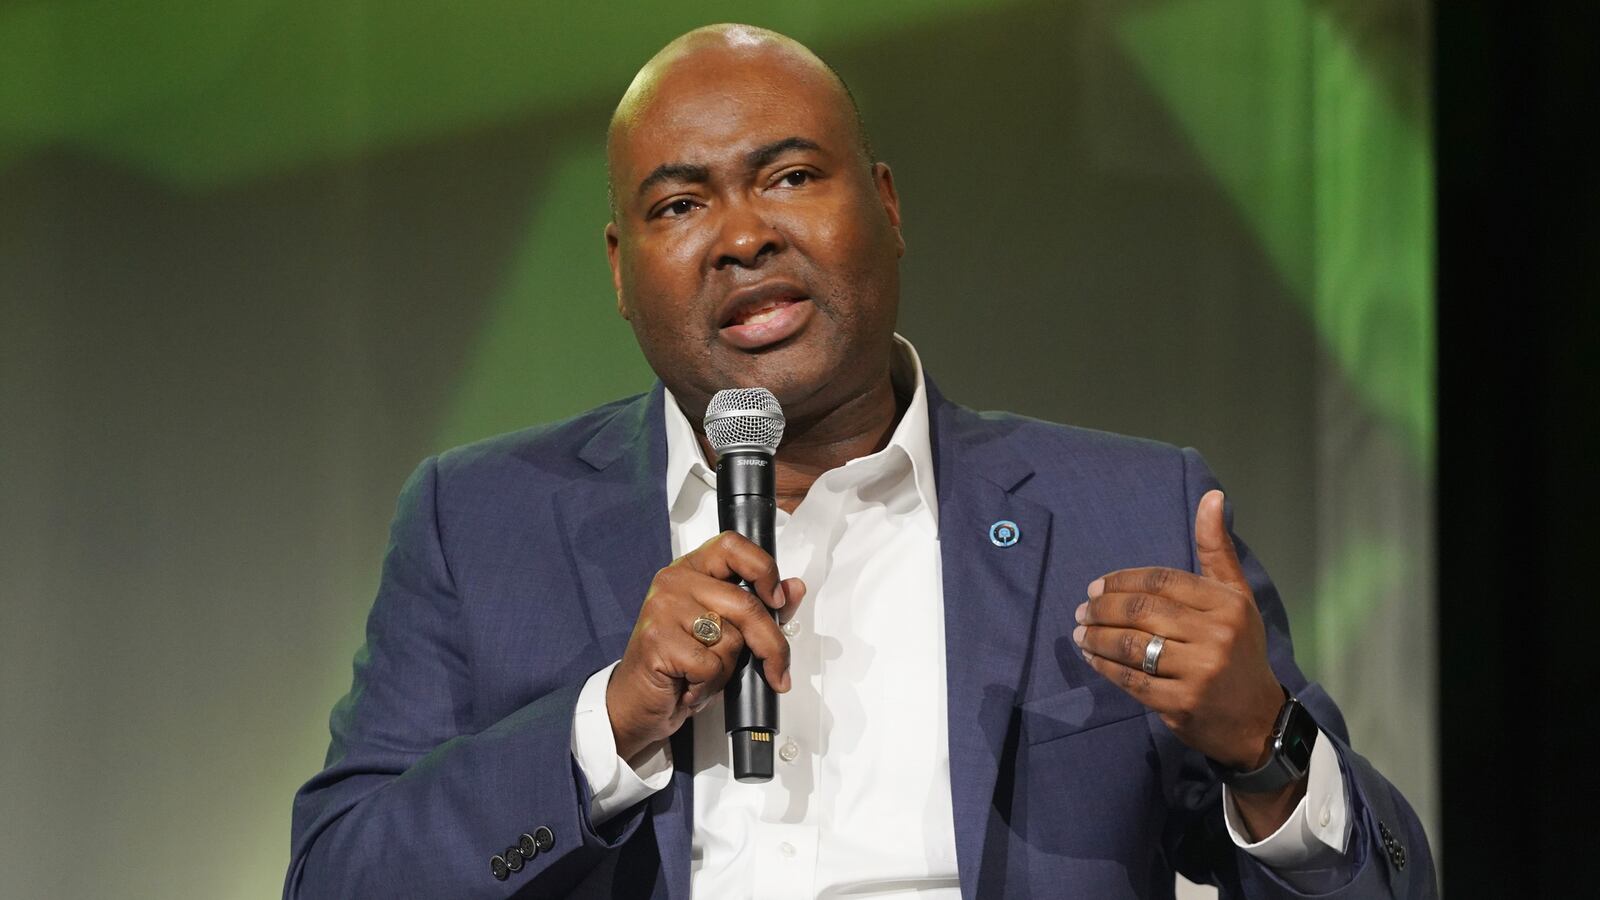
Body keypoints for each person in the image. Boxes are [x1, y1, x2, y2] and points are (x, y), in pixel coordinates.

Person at [286, 24, 1435, 899]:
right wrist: (609, 726)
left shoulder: (1126, 510)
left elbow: (1386, 882)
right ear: (621, 271)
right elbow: (338, 875)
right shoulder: (479, 519)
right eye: (680, 202)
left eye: (788, 177)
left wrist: (1264, 746)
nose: (742, 235)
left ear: (883, 204)